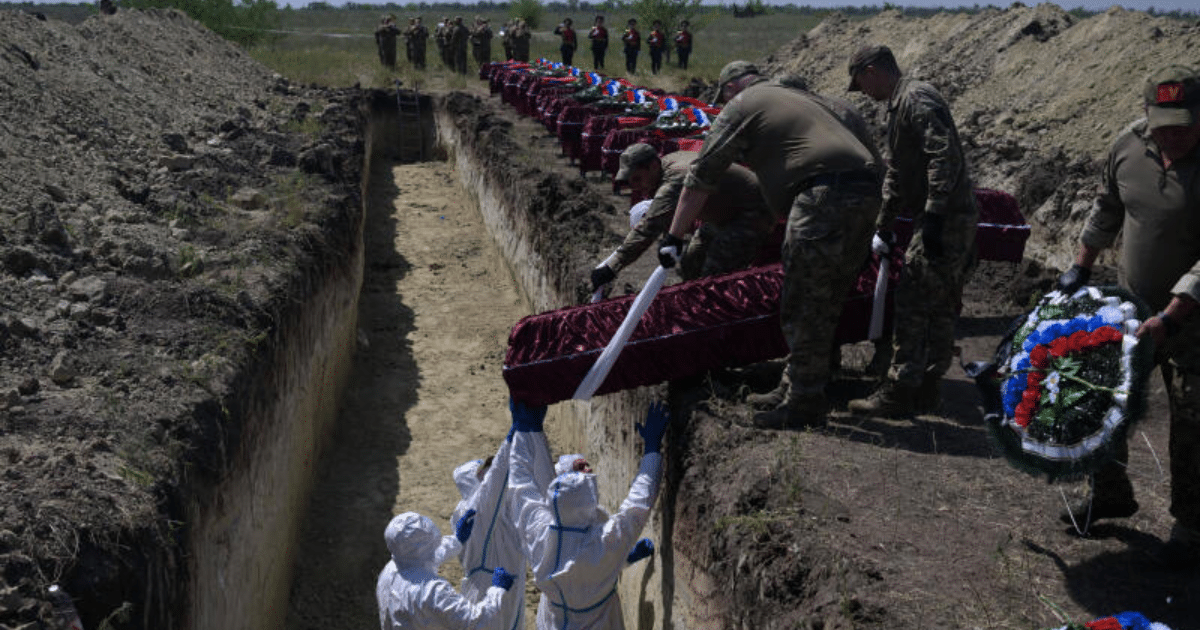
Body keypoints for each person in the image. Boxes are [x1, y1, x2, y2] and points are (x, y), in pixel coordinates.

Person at [660, 61, 881, 429]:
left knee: (802, 299)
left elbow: (703, 173)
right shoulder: (810, 101)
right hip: (865, 192)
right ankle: (798, 384)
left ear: (732, 89)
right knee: (830, 295)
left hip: (823, 195)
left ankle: (804, 404)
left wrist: (674, 236)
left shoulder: (745, 104)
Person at [1053, 64, 1200, 569]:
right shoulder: (1127, 147)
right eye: (1165, 125)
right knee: (1108, 400)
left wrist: (1175, 314)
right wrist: (1080, 266)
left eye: (1185, 123)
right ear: (1145, 116)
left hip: (1194, 319)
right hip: (1132, 308)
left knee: (1191, 420)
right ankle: (1110, 490)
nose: (1175, 134)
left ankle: (1191, 526)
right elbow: (1108, 207)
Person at [843, 44, 979, 418]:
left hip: (947, 217)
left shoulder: (916, 99)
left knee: (915, 300)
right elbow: (900, 173)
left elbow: (943, 155)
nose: (865, 94)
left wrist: (934, 214)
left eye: (861, 84)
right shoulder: (899, 106)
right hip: (939, 215)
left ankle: (902, 390)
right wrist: (884, 224)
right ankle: (924, 390)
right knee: (935, 302)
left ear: (871, 71)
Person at [508, 398, 666, 630]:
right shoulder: (603, 541)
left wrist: (524, 430)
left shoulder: (539, 534)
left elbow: (521, 484)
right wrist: (652, 450)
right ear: (590, 502)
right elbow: (639, 502)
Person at [590, 145, 774, 294]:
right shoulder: (667, 163)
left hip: (752, 211)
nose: (637, 188)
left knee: (715, 273)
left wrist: (611, 268)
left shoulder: (676, 178)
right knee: (690, 261)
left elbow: (648, 227)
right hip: (724, 213)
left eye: (638, 179)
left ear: (653, 166)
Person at [375, 511, 517, 629]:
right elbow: (474, 621)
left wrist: (456, 540)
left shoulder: (391, 569)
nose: (435, 548)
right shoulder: (432, 591)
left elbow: (426, 558)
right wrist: (498, 590)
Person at [450, 444, 530, 630]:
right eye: (485, 475)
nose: (492, 480)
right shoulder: (470, 512)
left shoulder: (504, 508)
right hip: (486, 589)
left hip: (508, 587)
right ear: (472, 481)